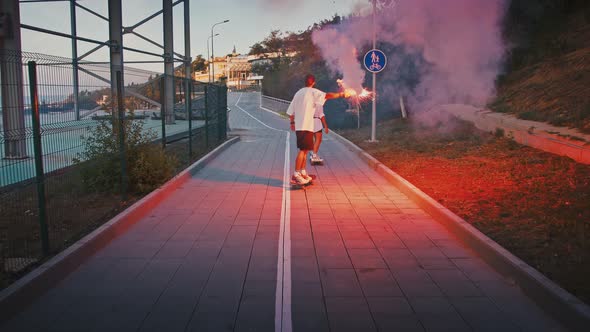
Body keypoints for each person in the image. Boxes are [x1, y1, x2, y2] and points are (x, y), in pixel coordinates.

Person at [287, 74, 347, 185]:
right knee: (302, 151)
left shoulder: (298, 93)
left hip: (304, 126)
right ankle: (296, 174)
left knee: (305, 151)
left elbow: (291, 110)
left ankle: (303, 172)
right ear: (313, 82)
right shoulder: (313, 92)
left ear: (305, 82)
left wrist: (292, 122)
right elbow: (328, 95)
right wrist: (342, 94)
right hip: (305, 126)